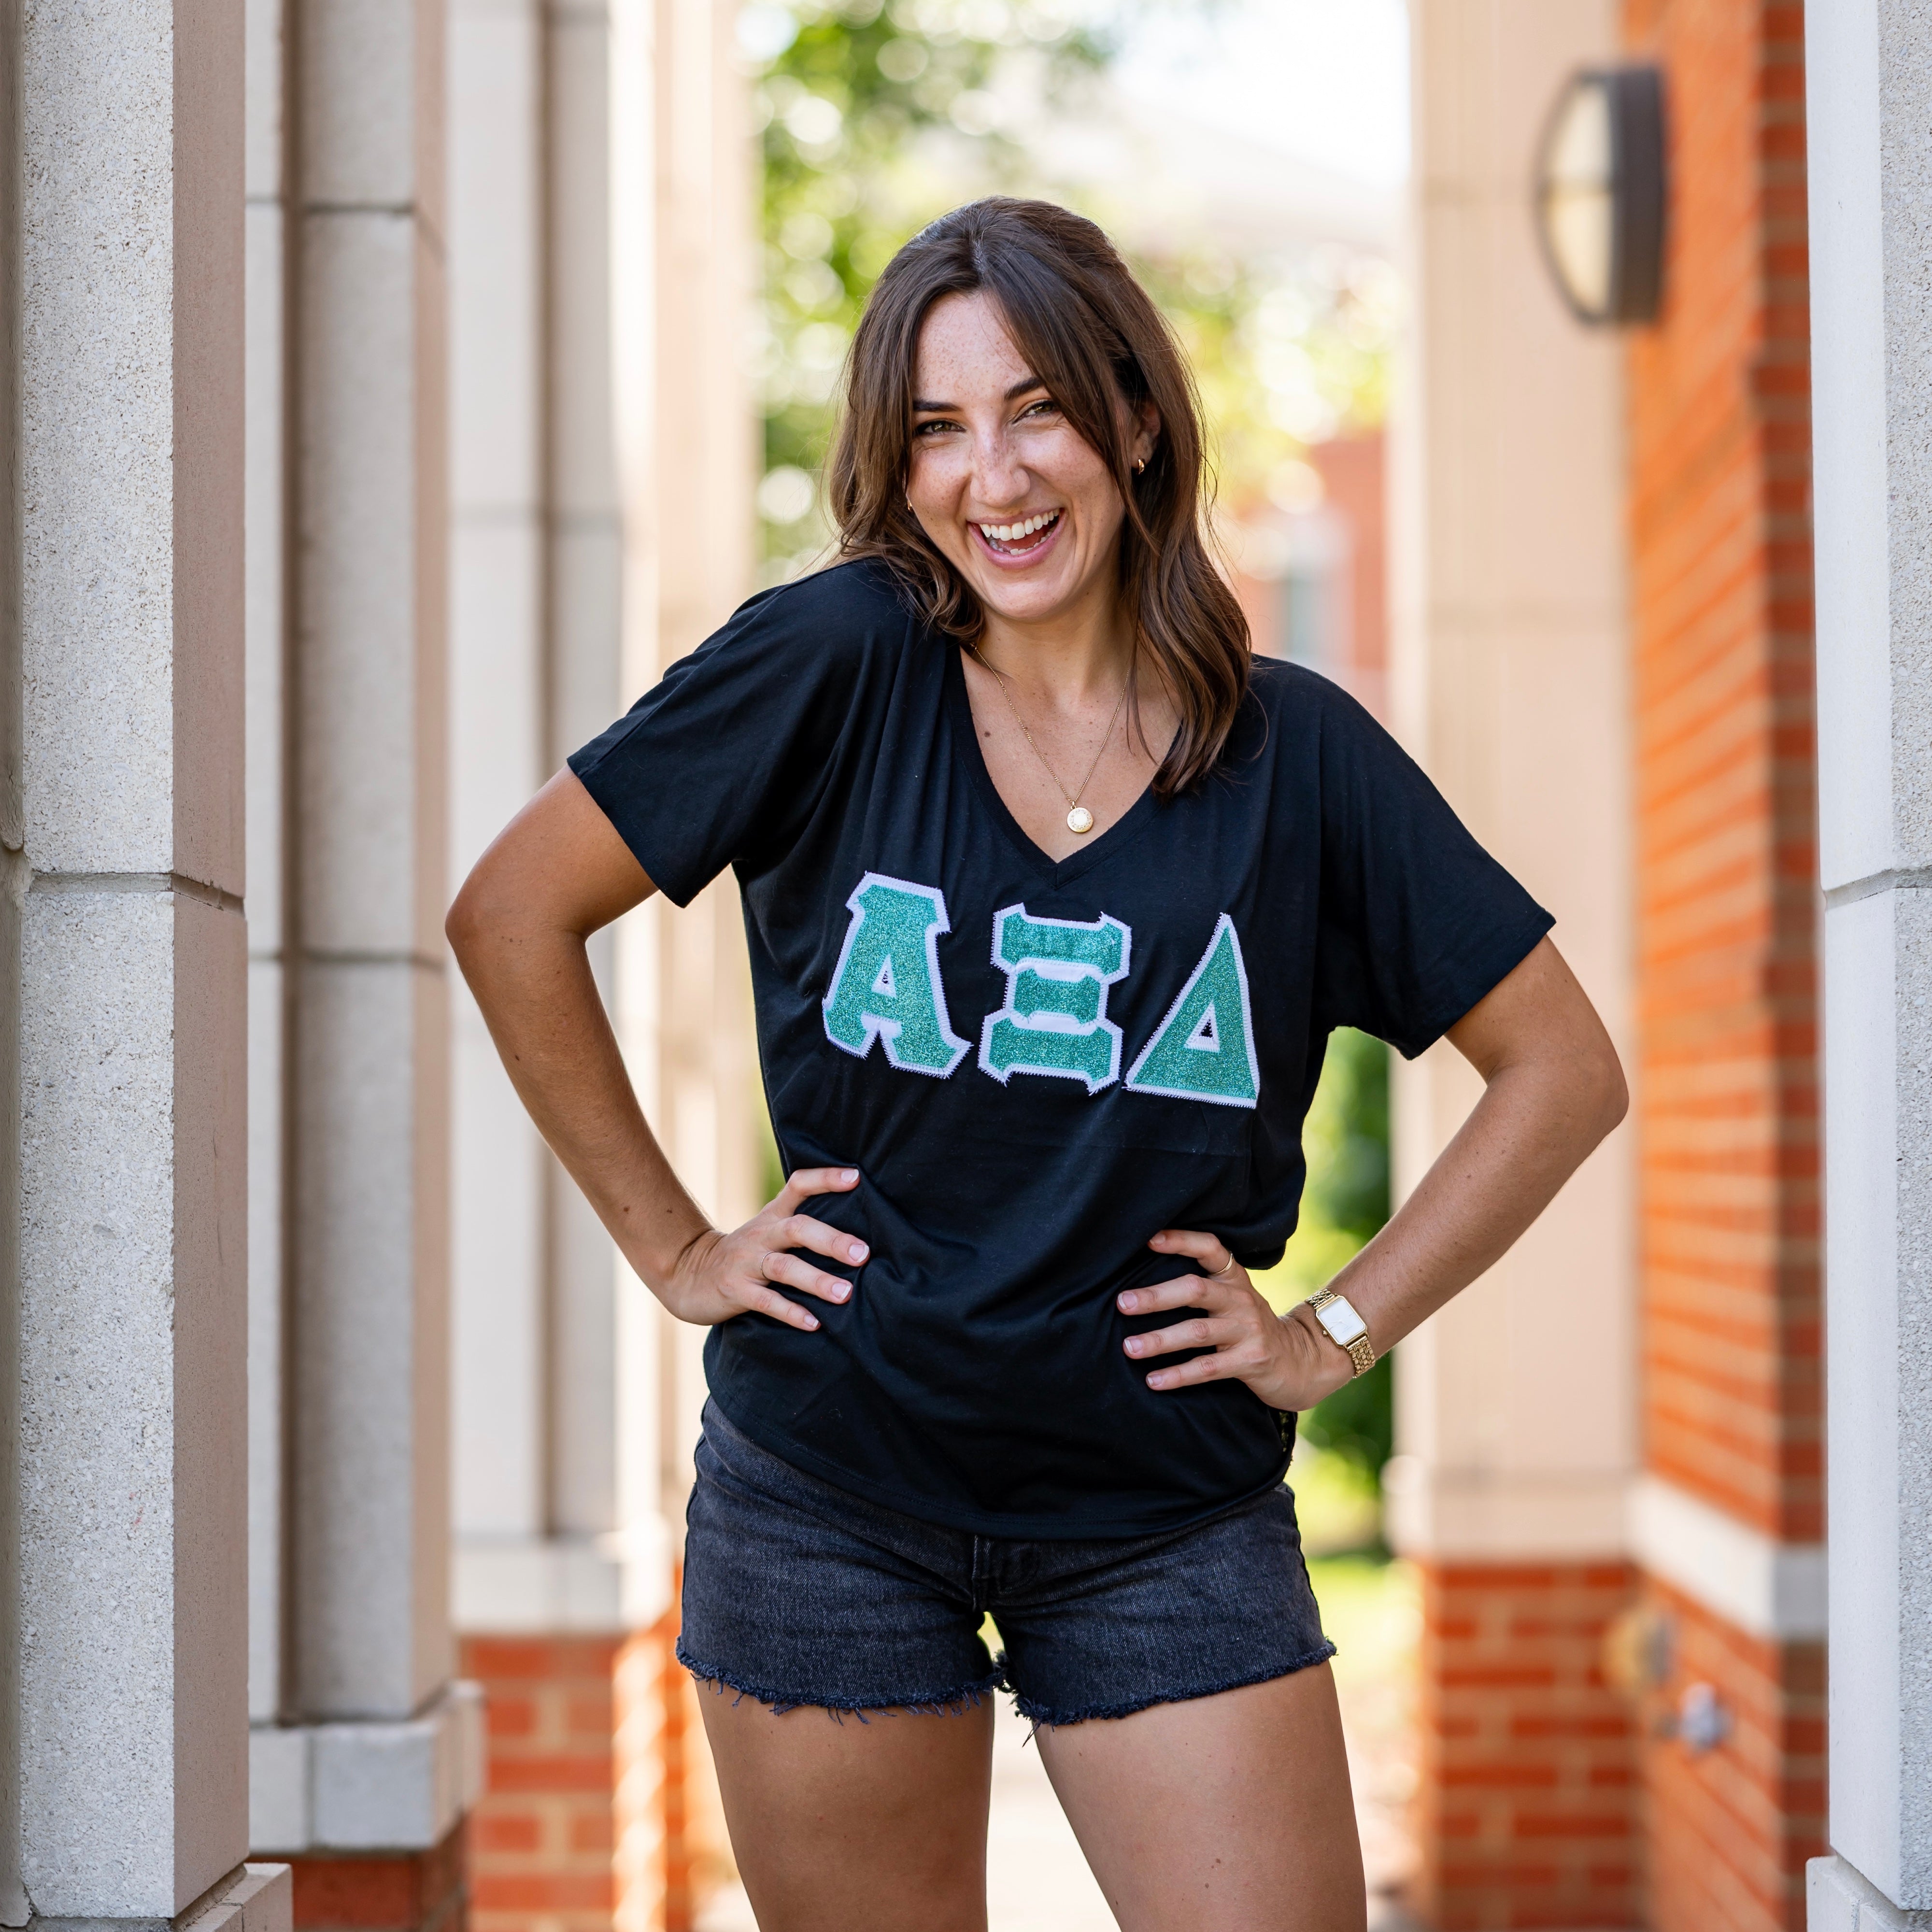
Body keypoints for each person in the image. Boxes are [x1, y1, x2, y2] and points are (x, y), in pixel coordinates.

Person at [447, 197, 1627, 1932]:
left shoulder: (1297, 758)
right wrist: (678, 1247)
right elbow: (512, 912)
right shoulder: (835, 666)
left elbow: (1562, 1068)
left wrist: (1334, 1334)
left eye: (1037, 409)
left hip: (1164, 1514)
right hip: (830, 1497)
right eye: (936, 428)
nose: (990, 477)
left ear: (1135, 421)